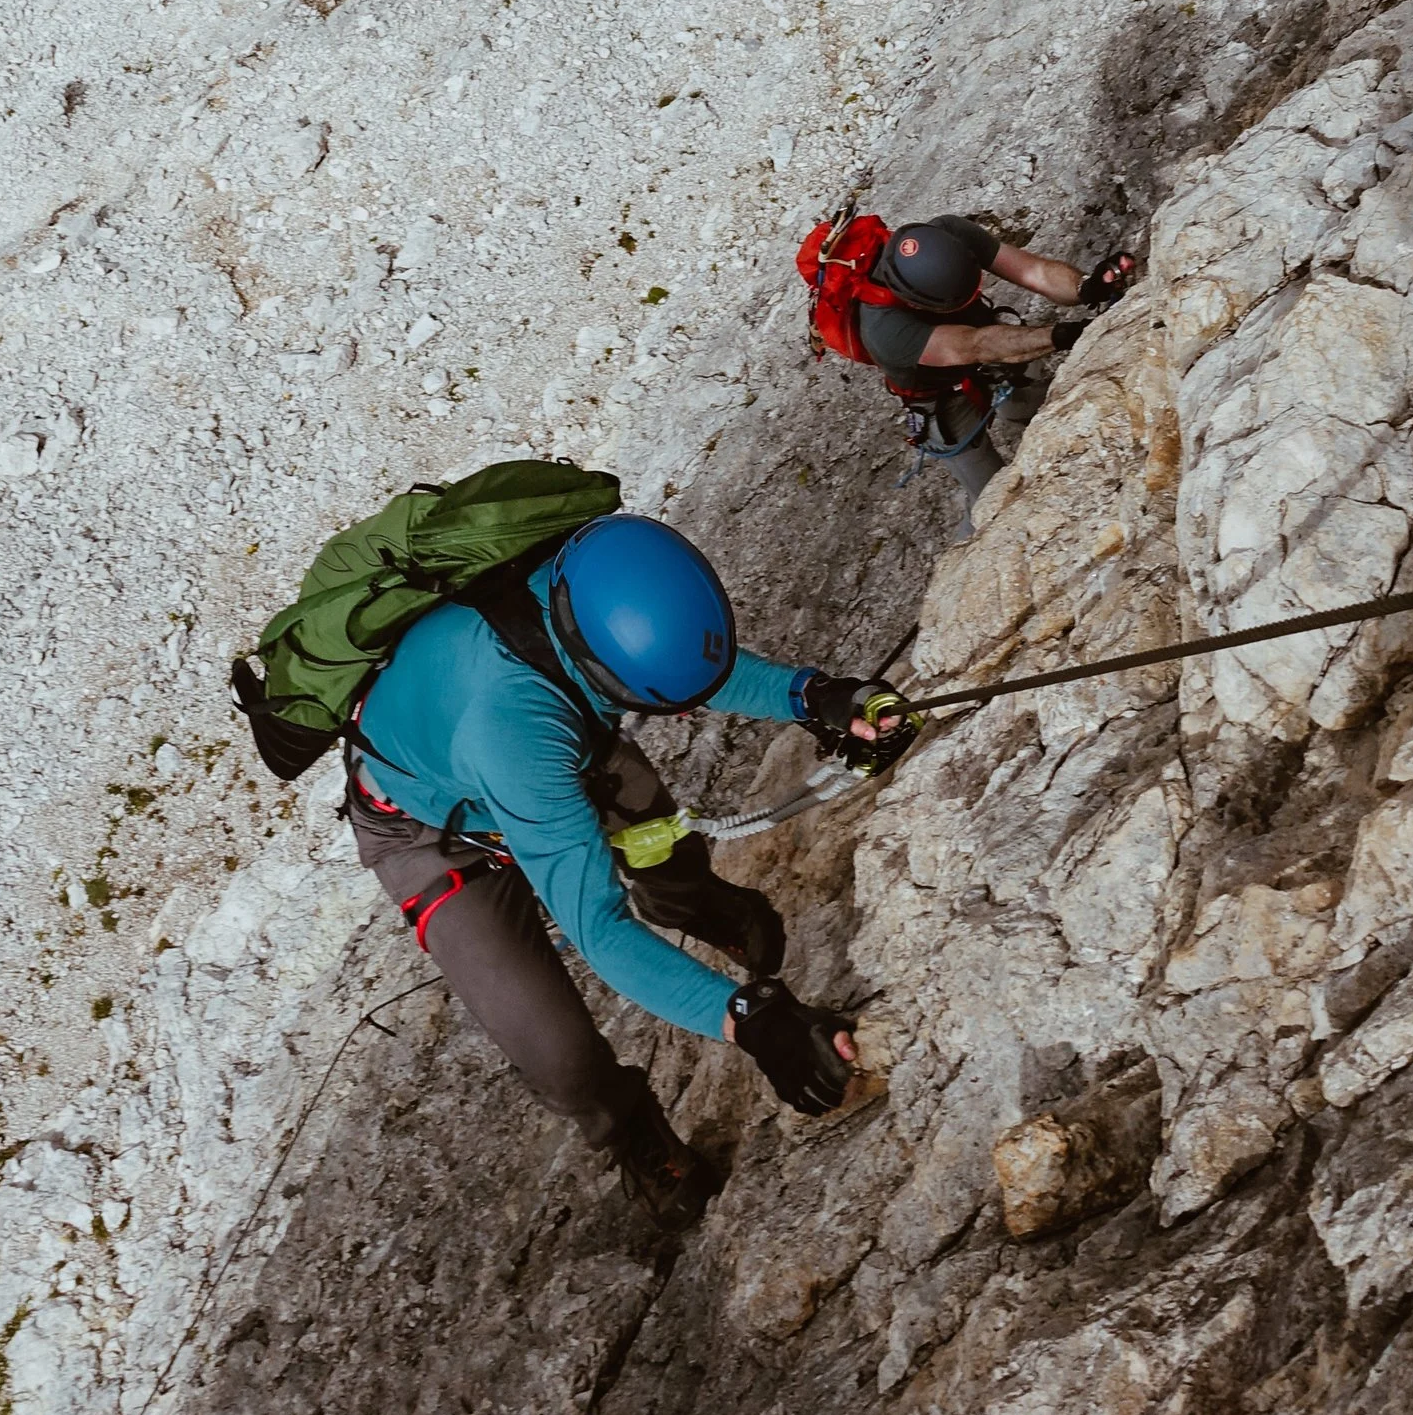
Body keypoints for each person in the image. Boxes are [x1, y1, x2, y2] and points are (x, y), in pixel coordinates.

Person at [335, 511, 915, 1222]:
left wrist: (812, 696)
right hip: (430, 836)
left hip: (541, 738)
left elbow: (685, 664)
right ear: (597, 670)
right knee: (558, 1053)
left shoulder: (583, 579)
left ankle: (701, 907)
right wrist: (746, 1021)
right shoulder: (517, 733)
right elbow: (597, 930)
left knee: (669, 855)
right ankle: (630, 1131)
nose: (669, 718)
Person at [799, 209, 1138, 509]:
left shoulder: (949, 232)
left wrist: (1086, 287)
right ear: (919, 303)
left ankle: (1019, 408)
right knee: (993, 500)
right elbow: (974, 345)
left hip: (990, 349)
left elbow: (1033, 271)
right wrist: (1063, 335)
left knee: (1024, 395)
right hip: (943, 403)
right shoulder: (884, 330)